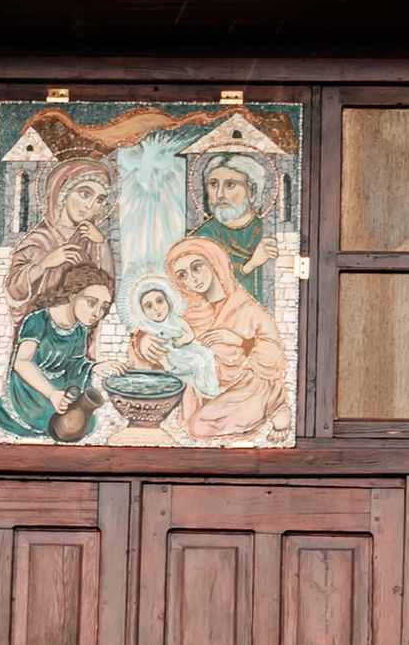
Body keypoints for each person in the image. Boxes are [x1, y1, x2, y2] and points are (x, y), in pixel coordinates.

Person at [132, 235, 290, 443]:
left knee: (200, 426)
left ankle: (274, 405)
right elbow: (165, 331)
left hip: (247, 385)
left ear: (214, 263)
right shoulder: (189, 312)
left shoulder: (249, 310)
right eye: (183, 275)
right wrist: (143, 341)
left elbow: (275, 356)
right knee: (196, 421)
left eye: (197, 268)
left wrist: (240, 341)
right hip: (207, 388)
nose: (192, 279)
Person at [0, 257, 109, 441]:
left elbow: (74, 364)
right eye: (92, 302)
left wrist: (92, 367)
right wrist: (51, 393)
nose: (97, 313)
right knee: (60, 422)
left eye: (104, 307)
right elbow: (22, 363)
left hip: (59, 389)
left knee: (85, 423)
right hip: (32, 391)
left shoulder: (80, 329)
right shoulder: (38, 320)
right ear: (72, 295)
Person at [3, 152, 116, 321]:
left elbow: (107, 290)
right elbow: (14, 290)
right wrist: (44, 264)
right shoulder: (37, 240)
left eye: (99, 200)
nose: (90, 206)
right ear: (62, 191)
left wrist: (103, 244)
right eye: (85, 194)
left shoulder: (93, 241)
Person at [188, 152, 277, 302]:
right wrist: (249, 266)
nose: (220, 194)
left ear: (252, 192)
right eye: (213, 184)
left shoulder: (267, 231)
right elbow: (199, 294)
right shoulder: (199, 238)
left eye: (230, 185)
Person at [116, 278, 221, 399]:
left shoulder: (178, 321)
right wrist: (166, 365)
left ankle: (212, 385)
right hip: (174, 356)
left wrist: (183, 340)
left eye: (160, 301)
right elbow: (158, 353)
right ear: (142, 311)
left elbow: (190, 334)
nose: (156, 309)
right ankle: (203, 389)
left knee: (207, 354)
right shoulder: (150, 331)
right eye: (149, 306)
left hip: (187, 348)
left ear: (168, 301)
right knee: (196, 362)